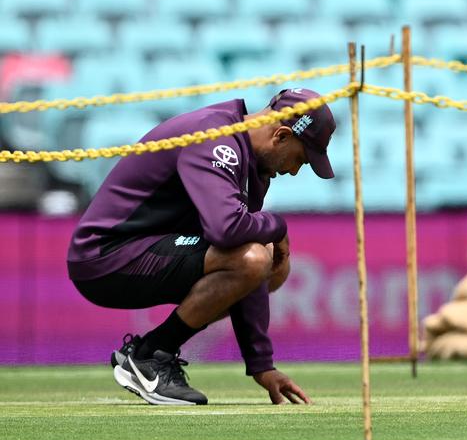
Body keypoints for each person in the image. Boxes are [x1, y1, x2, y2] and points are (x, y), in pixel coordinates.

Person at [67, 88, 336, 406]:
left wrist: (263, 366)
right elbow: (226, 230)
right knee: (253, 257)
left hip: (146, 249)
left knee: (270, 268)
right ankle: (152, 357)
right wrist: (277, 225)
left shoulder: (252, 165)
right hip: (104, 255)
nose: (293, 170)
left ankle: (148, 354)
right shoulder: (215, 138)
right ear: (280, 135)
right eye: (300, 159)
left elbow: (245, 254)